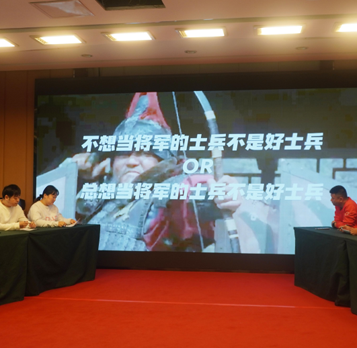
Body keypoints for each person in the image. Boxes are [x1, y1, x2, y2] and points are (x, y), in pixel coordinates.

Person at [73, 92, 259, 253]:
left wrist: (218, 193)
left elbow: (188, 194)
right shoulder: (104, 196)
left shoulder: (166, 194)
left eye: (144, 153)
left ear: (162, 161)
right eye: (123, 154)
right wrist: (75, 173)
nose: (131, 161)